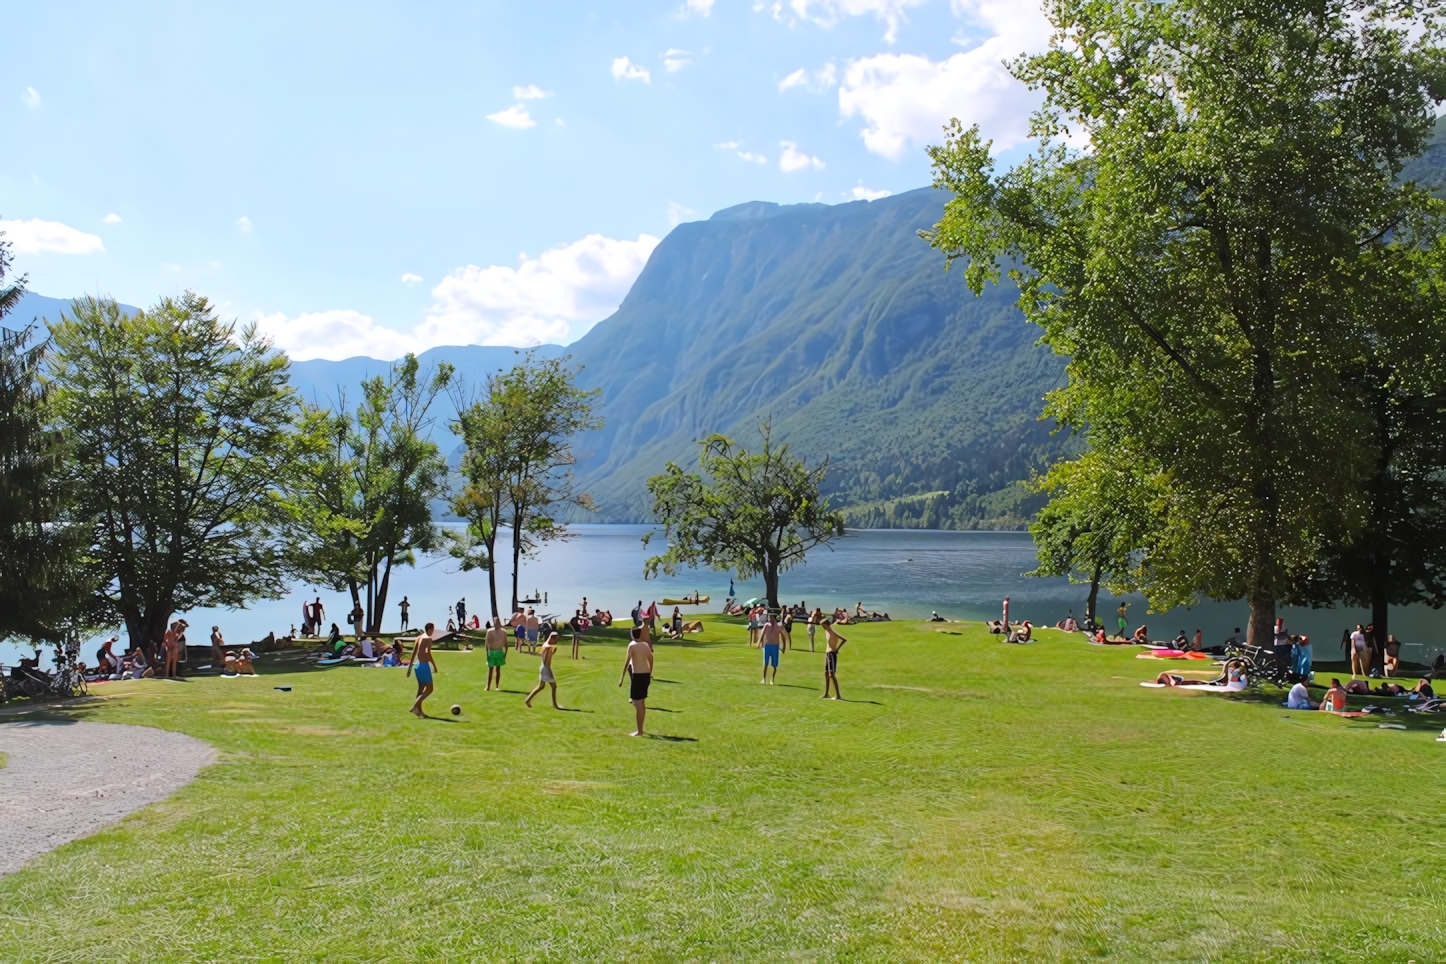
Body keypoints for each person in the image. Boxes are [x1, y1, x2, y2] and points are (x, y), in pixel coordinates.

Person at [619, 626, 653, 736]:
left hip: (637, 675)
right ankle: (641, 729)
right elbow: (651, 659)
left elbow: (627, 662)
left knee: (637, 702)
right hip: (646, 675)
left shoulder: (632, 645)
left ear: (632, 634)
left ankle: (640, 731)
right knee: (641, 702)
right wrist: (650, 673)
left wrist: (622, 677)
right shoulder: (645, 645)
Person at [524, 631, 562, 709]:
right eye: (556, 639)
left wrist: (553, 650)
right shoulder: (548, 646)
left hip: (544, 667)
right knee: (553, 686)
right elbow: (545, 656)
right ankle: (555, 705)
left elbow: (546, 655)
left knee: (541, 686)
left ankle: (527, 700)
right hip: (546, 668)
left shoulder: (547, 645)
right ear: (551, 638)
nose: (556, 641)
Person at [408, 622, 438, 717]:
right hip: (424, 665)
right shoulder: (428, 638)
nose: (433, 631)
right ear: (430, 629)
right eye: (433, 629)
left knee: (421, 688)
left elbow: (414, 652)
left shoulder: (419, 637)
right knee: (430, 689)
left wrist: (409, 667)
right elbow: (428, 653)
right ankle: (415, 706)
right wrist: (434, 665)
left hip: (417, 666)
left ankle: (419, 712)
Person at [821, 618, 847, 700]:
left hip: (831, 654)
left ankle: (838, 695)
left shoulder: (832, 631)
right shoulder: (827, 631)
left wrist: (836, 649)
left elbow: (843, 640)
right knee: (826, 674)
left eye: (823, 625)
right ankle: (826, 693)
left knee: (831, 675)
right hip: (827, 654)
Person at [759, 611, 781, 684]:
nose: (768, 618)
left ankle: (772, 679)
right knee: (765, 663)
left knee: (774, 665)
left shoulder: (778, 626)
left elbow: (783, 635)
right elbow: (762, 633)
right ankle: (764, 679)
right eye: (768, 616)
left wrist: (784, 645)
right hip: (767, 646)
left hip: (775, 646)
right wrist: (760, 642)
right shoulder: (766, 625)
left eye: (770, 616)